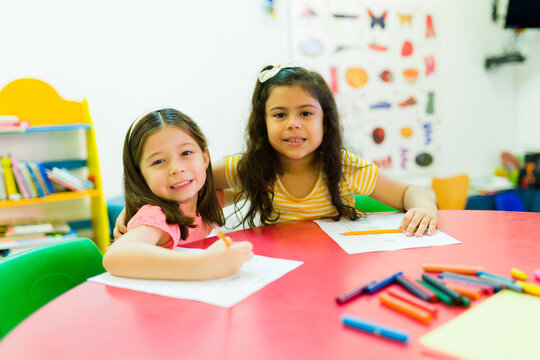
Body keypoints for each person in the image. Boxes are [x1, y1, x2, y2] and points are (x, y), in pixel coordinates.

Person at [211, 64, 438, 236]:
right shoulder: (250, 165)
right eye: (280, 115)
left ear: (325, 121)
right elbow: (197, 179)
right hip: (281, 269)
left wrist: (424, 208)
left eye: (306, 113)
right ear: (264, 123)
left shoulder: (346, 167)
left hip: (334, 269)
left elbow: (409, 191)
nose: (293, 124)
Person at [103, 108, 253, 280]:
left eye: (186, 153)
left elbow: (247, 189)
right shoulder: (157, 215)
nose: (176, 168)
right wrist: (204, 264)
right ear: (140, 175)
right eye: (158, 161)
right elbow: (115, 256)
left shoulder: (204, 202)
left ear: (205, 158)